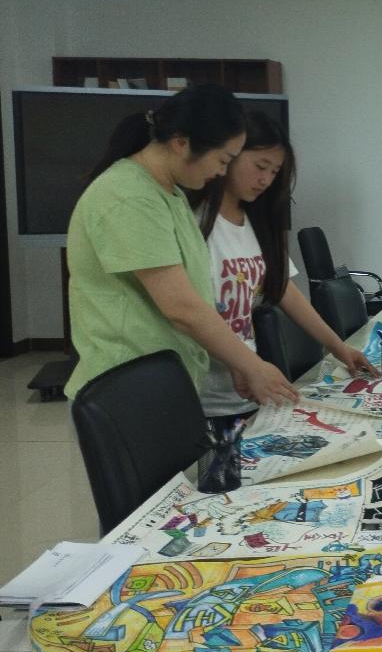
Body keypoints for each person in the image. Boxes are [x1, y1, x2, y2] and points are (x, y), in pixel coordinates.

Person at [64, 85, 298, 409]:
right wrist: (252, 365)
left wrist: (234, 360)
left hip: (164, 384)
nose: (221, 171)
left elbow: (194, 296)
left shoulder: (170, 195)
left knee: (213, 451)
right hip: (126, 392)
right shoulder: (129, 196)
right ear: (181, 143)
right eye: (222, 159)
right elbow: (182, 308)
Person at [193, 110, 376, 425]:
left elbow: (283, 291)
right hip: (205, 396)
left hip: (251, 391)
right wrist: (244, 364)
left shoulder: (257, 223)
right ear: (229, 156)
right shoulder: (196, 223)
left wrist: (338, 347)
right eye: (260, 166)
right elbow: (189, 313)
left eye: (275, 171)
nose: (266, 180)